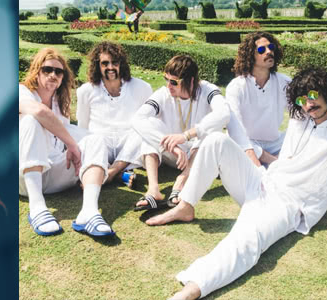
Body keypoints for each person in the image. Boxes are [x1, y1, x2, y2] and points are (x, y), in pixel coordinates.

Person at [146, 68, 327, 300]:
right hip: (264, 180)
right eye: (301, 100)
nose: (308, 105)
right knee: (216, 140)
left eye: (312, 95)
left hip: (287, 204)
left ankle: (193, 288)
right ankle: (186, 205)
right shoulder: (301, 119)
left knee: (248, 237)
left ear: (325, 90)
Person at [20, 48, 114, 237]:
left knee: (96, 139)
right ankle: (37, 207)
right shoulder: (21, 92)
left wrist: (91, 153)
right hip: (23, 177)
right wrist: (72, 145)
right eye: (47, 69)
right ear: (37, 71)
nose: (53, 75)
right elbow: (39, 112)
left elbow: (71, 132)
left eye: (58, 71)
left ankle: (88, 212)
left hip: (54, 173)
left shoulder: (59, 102)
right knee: (31, 120)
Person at [132, 55, 232, 211]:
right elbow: (137, 119)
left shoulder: (207, 90)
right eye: (166, 79)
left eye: (174, 82)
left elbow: (224, 114)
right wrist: (173, 147)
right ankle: (154, 190)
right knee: (149, 126)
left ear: (191, 81)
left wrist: (186, 135)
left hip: (198, 155)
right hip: (172, 153)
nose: (168, 85)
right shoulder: (163, 93)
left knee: (211, 135)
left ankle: (181, 181)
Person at [76, 41, 152, 187]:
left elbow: (149, 121)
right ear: (97, 65)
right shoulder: (86, 91)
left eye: (114, 62)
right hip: (101, 142)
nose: (110, 67)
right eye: (105, 63)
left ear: (121, 64)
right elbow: (83, 126)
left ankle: (111, 171)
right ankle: (119, 174)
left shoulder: (142, 87)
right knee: (91, 140)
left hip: (129, 144)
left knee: (142, 132)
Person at [226, 31, 291, 167]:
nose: (268, 52)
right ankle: (277, 164)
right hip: (248, 145)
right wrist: (253, 155)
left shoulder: (285, 82)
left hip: (276, 143)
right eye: (261, 49)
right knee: (232, 140)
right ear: (250, 56)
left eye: (271, 47)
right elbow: (235, 127)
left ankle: (277, 162)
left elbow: (300, 113)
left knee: (305, 135)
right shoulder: (237, 86)